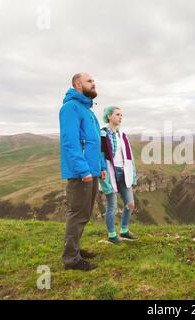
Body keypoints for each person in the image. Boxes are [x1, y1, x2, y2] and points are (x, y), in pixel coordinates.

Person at [59, 72, 106, 271]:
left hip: (92, 170)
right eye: (90, 81)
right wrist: (83, 169)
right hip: (81, 173)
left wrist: (101, 166)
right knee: (77, 213)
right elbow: (70, 142)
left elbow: (96, 142)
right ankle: (71, 259)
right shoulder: (70, 108)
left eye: (94, 81)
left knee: (84, 213)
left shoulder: (88, 110)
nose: (94, 84)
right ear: (78, 84)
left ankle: (75, 249)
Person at [99, 106, 138, 244]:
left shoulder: (122, 135)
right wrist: (103, 176)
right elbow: (100, 155)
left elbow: (129, 157)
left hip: (124, 172)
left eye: (121, 115)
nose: (120, 117)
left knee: (130, 204)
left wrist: (133, 175)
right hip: (110, 173)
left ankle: (124, 230)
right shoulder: (102, 134)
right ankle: (111, 234)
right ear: (109, 116)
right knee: (112, 207)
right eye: (117, 114)